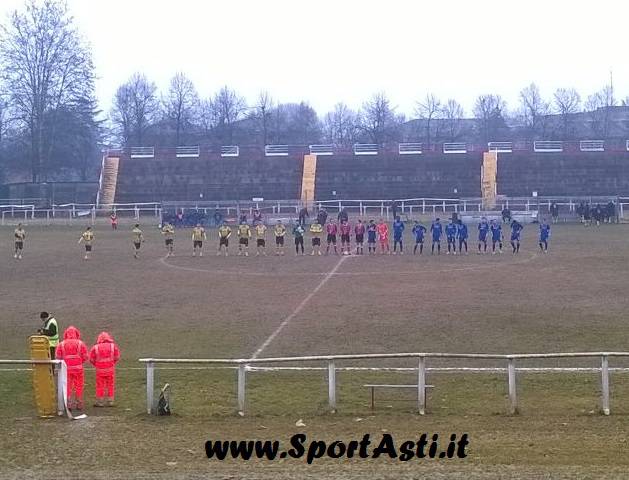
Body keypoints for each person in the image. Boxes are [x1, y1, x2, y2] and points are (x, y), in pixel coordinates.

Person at [55, 326, 88, 411]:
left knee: (67, 386)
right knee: (79, 385)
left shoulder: (61, 344)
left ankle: (68, 403)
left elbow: (58, 358)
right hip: (78, 368)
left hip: (66, 369)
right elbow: (85, 356)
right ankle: (79, 403)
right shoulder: (81, 343)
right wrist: (79, 362)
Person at [89, 331, 121, 407]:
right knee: (110, 385)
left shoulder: (95, 347)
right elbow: (117, 357)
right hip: (110, 369)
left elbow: (91, 359)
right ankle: (110, 401)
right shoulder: (113, 346)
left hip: (100, 370)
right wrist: (112, 363)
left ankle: (100, 401)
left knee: (100, 385)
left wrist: (96, 365)